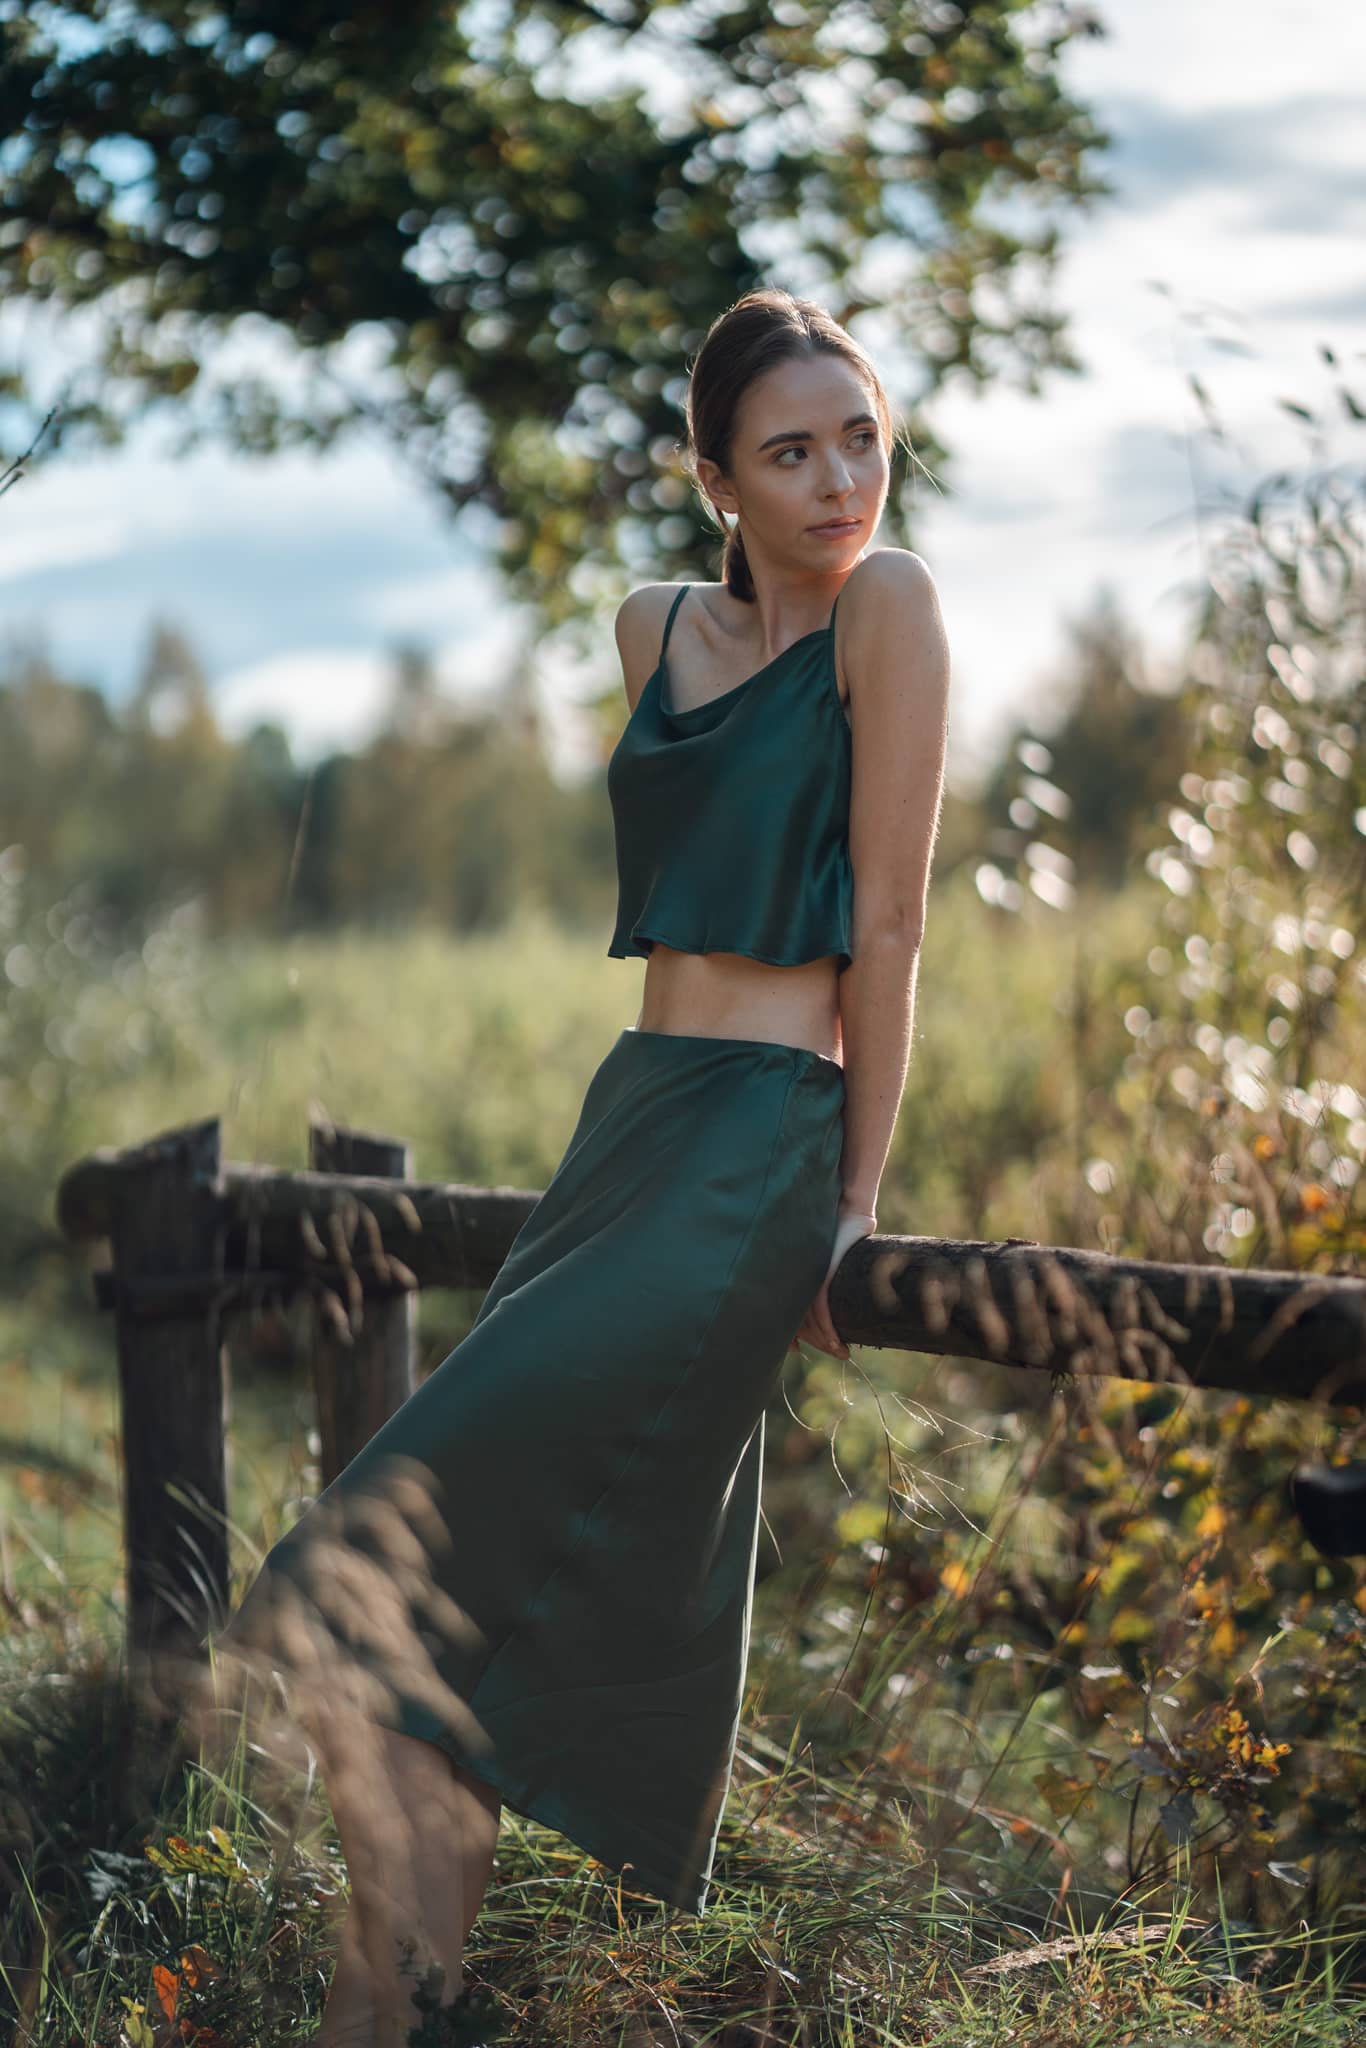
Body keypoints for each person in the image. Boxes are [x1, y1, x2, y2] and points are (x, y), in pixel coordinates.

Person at [209, 285, 951, 2047]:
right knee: (401, 1653)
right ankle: (400, 2007)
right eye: (791, 452)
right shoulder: (653, 629)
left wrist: (849, 1210)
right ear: (713, 478)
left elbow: (897, 930)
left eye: (861, 437)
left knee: (356, 1576)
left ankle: (391, 2014)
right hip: (629, 1129)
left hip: (754, 1154)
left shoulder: (893, 611)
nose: (841, 480)